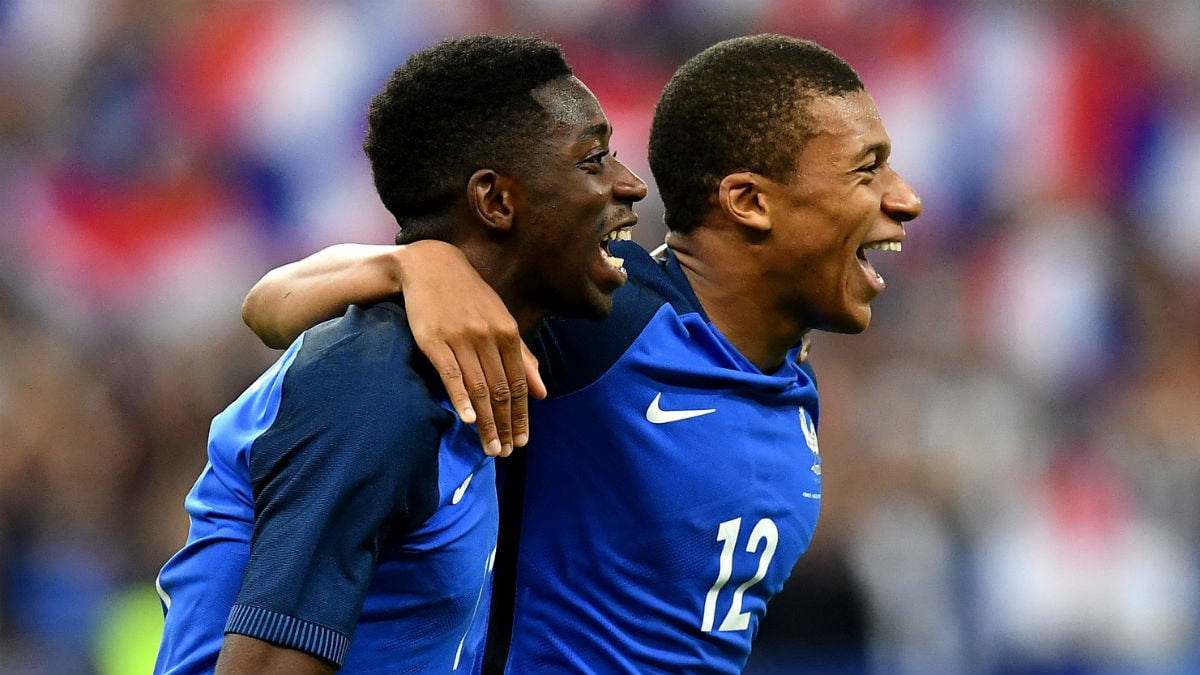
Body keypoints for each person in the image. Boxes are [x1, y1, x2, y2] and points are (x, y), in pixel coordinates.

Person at [242, 34, 921, 674]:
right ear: (748, 201)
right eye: (868, 171)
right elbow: (274, 301)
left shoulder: (790, 386)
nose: (906, 199)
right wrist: (412, 267)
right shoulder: (603, 320)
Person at [152, 34, 646, 675]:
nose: (629, 185)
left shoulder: (476, 358)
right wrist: (409, 265)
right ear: (495, 201)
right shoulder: (374, 392)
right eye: (594, 160)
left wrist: (410, 263)